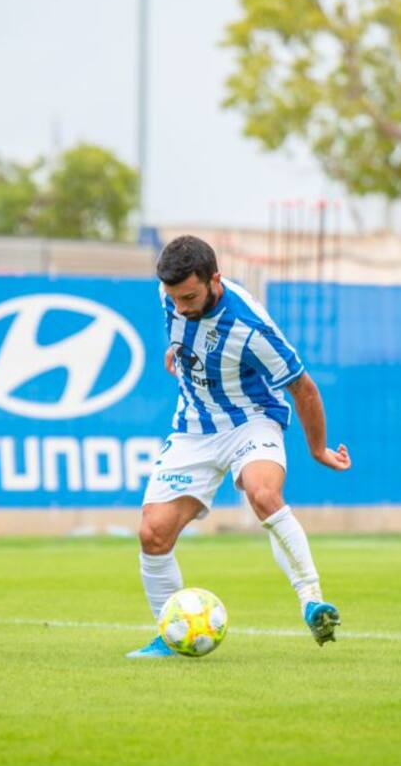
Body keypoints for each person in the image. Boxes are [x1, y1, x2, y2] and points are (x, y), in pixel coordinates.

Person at [127, 235, 352, 658]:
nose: (180, 307)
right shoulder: (171, 295)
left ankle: (312, 601)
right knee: (152, 534)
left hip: (252, 420)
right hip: (194, 427)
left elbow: (304, 389)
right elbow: (184, 327)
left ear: (215, 280)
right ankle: (170, 636)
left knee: (263, 493)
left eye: (189, 297)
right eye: (174, 298)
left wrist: (318, 450)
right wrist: (177, 349)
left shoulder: (251, 328)